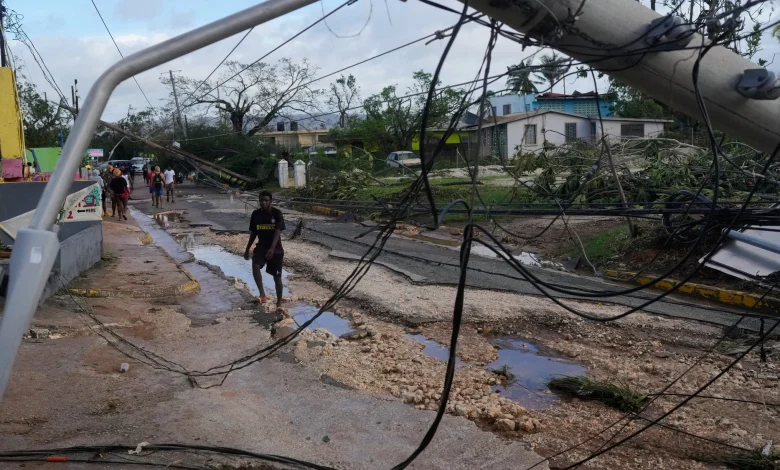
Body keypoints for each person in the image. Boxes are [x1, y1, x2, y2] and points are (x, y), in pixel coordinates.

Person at [243, 190, 285, 310]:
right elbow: (253, 233)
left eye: (266, 200)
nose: (263, 202)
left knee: (277, 277)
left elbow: (277, 232)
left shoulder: (277, 213)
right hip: (261, 247)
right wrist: (247, 249)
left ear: (271, 202)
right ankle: (262, 294)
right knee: (255, 264)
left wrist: (272, 249)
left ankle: (279, 303)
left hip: (275, 249)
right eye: (261, 200)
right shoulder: (256, 214)